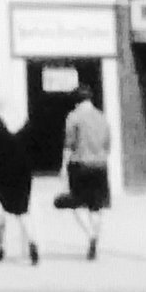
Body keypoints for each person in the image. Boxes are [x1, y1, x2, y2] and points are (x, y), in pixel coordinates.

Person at [0, 96, 38, 266]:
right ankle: (32, 242)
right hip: (22, 174)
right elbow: (34, 149)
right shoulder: (26, 125)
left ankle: (0, 249)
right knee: (23, 211)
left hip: (0, 174)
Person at [60, 87, 111, 260]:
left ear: (77, 101)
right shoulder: (102, 117)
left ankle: (90, 235)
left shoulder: (73, 117)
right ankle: (95, 235)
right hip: (100, 165)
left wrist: (63, 167)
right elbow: (108, 143)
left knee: (76, 204)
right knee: (96, 206)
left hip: (79, 164)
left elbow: (69, 143)